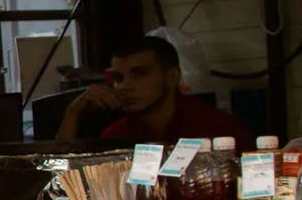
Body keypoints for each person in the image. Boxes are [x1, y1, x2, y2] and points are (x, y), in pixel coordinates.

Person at [57, 33, 247, 147]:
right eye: (118, 78)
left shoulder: (216, 128)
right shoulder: (117, 135)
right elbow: (60, 185)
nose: (125, 86)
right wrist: (72, 112)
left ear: (172, 77)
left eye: (140, 74)